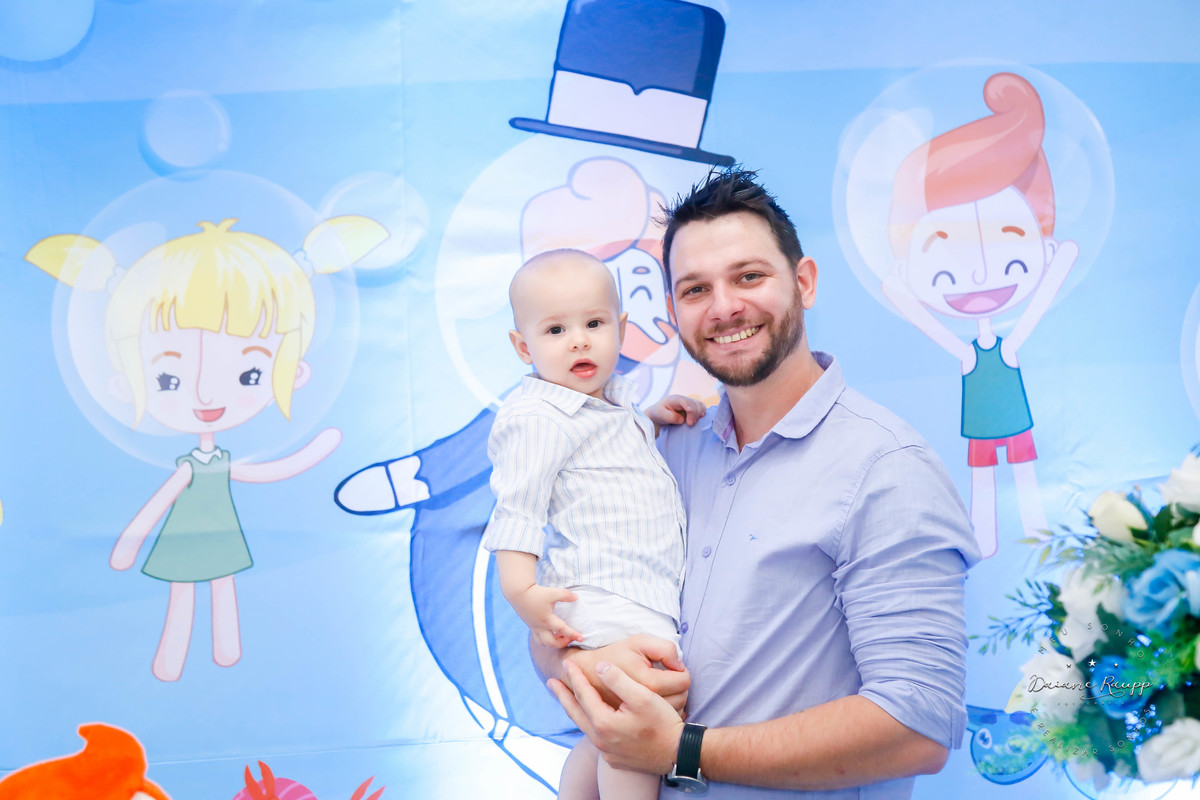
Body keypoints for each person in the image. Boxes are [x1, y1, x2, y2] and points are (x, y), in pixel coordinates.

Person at [541, 169, 981, 798]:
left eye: (749, 276)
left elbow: (916, 727)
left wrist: (680, 750)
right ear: (673, 311)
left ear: (804, 282)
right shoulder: (661, 452)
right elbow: (552, 623)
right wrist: (591, 661)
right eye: (696, 289)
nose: (724, 307)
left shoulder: (886, 469)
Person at [483, 248, 706, 799]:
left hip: (637, 597)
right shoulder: (537, 418)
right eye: (555, 330)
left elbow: (605, 456)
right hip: (606, 602)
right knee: (637, 739)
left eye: (595, 324)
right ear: (523, 347)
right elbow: (518, 511)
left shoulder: (612, 406)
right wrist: (521, 592)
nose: (579, 341)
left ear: (621, 329)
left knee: (607, 736)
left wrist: (649, 422)